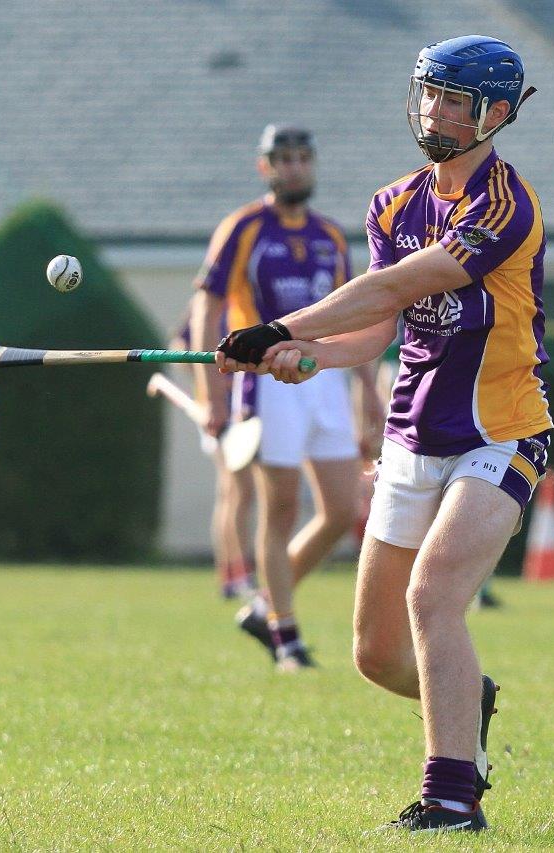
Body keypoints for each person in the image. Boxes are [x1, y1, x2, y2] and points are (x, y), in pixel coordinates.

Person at [217, 36, 545, 832]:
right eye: (428, 93)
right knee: (375, 654)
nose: (433, 110)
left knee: (434, 599)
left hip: (498, 431)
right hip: (409, 439)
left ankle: (452, 798)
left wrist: (280, 324)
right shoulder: (393, 203)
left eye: (453, 100)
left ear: (494, 114)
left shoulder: (504, 204)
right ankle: (471, 702)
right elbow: (376, 330)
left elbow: (402, 282)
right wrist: (305, 355)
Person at [192, 124, 384, 671]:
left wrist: (368, 392)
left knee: (343, 509)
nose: (295, 167)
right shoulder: (244, 228)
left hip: (324, 378)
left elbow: (358, 318)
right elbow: (207, 306)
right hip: (265, 383)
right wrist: (215, 395)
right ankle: (286, 637)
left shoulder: (329, 235)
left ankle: (262, 609)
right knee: (279, 508)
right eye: (283, 159)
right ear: (265, 168)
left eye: (303, 158)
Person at [167, 297, 256, 599]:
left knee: (232, 492)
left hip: (243, 406)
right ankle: (239, 574)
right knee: (239, 490)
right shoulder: (210, 301)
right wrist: (211, 388)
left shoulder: (246, 295)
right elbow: (179, 346)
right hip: (219, 412)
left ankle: (232, 574)